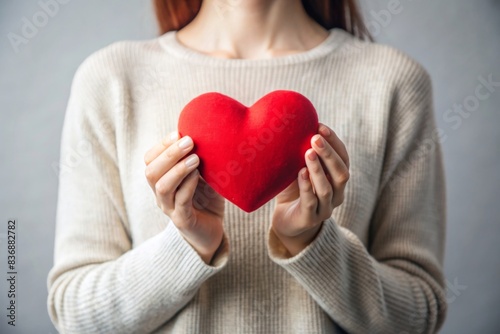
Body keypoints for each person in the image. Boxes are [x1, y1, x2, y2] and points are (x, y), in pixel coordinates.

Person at [47, 0, 448, 333]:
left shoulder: (393, 82)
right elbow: (76, 316)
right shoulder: (112, 80)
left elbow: (419, 316)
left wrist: (310, 243)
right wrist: (187, 243)